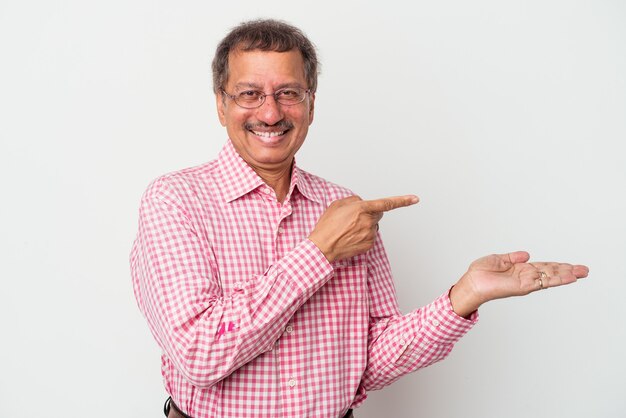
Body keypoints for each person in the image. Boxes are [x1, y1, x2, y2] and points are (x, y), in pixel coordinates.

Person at [130, 19, 589, 418]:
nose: (270, 112)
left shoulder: (345, 207)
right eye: (249, 94)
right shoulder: (174, 200)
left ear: (311, 104)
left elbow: (368, 360)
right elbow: (199, 353)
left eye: (288, 93)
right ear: (220, 104)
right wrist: (319, 252)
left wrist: (462, 297)